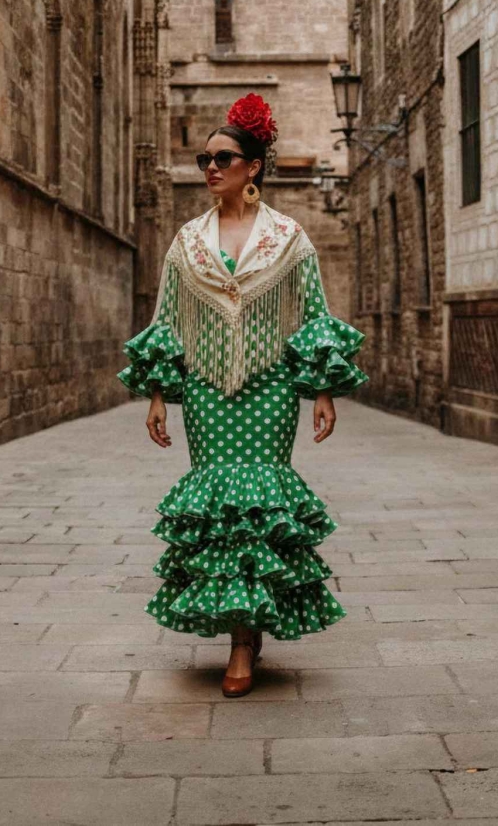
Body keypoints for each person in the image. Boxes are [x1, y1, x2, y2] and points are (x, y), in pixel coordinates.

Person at [118, 93, 368, 697]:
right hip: (206, 389)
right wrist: (158, 393)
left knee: (258, 508)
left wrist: (322, 392)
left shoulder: (290, 237)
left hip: (271, 389)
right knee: (219, 514)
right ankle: (241, 628)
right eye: (205, 158)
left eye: (223, 157)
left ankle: (241, 641)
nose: (210, 167)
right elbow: (169, 317)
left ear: (252, 166)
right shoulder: (186, 240)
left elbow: (313, 313)